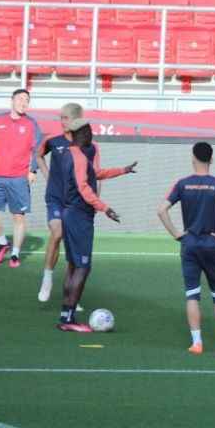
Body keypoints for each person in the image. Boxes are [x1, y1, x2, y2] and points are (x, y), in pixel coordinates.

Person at [158, 142, 215, 354]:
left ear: (193, 158)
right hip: (212, 246)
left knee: (192, 295)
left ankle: (197, 343)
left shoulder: (182, 184)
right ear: (211, 159)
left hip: (190, 246)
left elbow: (161, 210)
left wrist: (177, 234)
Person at [55, 119, 137, 332]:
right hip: (79, 216)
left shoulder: (68, 154)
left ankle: (66, 316)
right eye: (89, 131)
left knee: (73, 265)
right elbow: (83, 187)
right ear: (81, 133)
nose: (92, 135)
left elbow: (95, 174)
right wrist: (105, 208)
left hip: (69, 213)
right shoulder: (80, 157)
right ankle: (68, 321)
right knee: (83, 266)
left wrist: (123, 170)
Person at [0, 88, 42, 268]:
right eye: (21, 98)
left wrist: (33, 170)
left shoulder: (31, 124)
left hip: (18, 179)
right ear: (12, 101)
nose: (24, 102)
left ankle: (15, 254)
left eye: (27, 100)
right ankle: (2, 243)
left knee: (18, 217)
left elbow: (38, 150)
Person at [35, 103, 84, 302]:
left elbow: (94, 174)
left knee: (74, 248)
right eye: (62, 118)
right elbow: (38, 156)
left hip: (77, 202)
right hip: (55, 198)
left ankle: (71, 296)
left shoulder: (87, 145)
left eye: (67, 118)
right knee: (58, 233)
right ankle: (47, 278)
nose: (63, 122)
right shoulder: (53, 141)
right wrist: (48, 177)